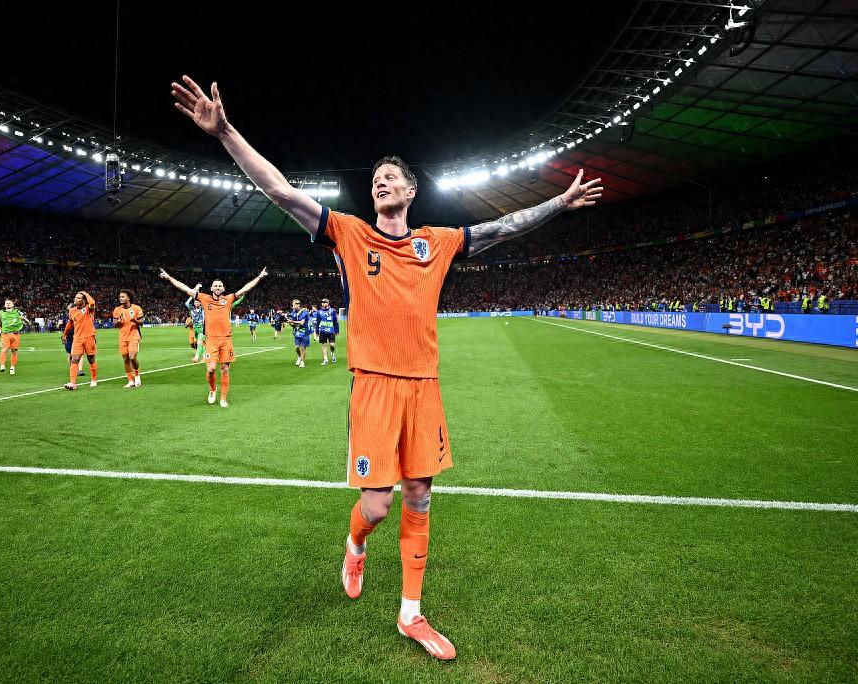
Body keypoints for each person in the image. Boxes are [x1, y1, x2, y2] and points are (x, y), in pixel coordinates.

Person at [171, 73, 601, 659]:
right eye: (375, 178)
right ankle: (355, 546)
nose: (380, 181)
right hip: (373, 386)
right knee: (377, 505)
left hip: (424, 387)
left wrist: (560, 203)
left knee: (419, 496)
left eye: (391, 176)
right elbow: (282, 192)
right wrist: (225, 133)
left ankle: (411, 614)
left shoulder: (437, 242)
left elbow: (502, 228)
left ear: (411, 190)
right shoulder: (350, 235)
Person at [161, 268, 268, 407]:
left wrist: (259, 277)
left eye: (220, 286)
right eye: (215, 285)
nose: (217, 287)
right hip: (211, 340)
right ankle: (213, 389)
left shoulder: (229, 299)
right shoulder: (204, 298)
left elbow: (245, 289)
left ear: (223, 289)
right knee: (211, 369)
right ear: (211, 288)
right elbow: (185, 289)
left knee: (225, 369)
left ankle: (223, 398)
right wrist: (169, 278)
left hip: (226, 339)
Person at [63, 291, 98, 390]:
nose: (76, 299)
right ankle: (72, 383)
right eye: (75, 297)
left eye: (78, 298)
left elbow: (92, 302)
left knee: (91, 359)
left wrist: (85, 293)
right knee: (74, 359)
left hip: (89, 337)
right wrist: (65, 334)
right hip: (77, 338)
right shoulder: (72, 310)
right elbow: (70, 323)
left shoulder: (88, 309)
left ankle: (94, 379)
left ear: (83, 300)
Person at [113, 290, 145, 388]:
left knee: (132, 357)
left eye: (123, 296)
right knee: (126, 359)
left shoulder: (136, 308)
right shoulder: (117, 310)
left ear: (129, 298)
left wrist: (135, 320)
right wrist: (119, 322)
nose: (120, 298)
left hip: (134, 335)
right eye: (120, 296)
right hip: (123, 337)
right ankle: (130, 380)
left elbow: (142, 322)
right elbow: (114, 324)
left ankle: (137, 376)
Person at [0, 298, 29, 375]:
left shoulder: (18, 312)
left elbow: (27, 321)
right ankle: (2, 365)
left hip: (15, 334)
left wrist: (24, 319)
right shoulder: (1, 313)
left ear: (13, 304)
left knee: (14, 351)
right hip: (5, 334)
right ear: (4, 305)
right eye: (6, 303)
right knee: (4, 350)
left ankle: (12, 368)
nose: (8, 304)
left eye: (9, 303)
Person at [316, 298, 339, 365]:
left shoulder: (332, 310)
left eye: (325, 302)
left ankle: (332, 352)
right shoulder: (319, 312)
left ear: (328, 303)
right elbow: (318, 322)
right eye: (322, 302)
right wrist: (317, 332)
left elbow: (335, 321)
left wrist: (337, 330)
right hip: (322, 331)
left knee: (332, 345)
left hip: (331, 331)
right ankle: (325, 359)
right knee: (323, 345)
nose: (323, 303)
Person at [287, 299, 310, 367]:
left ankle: (302, 362)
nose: (292, 307)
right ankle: (299, 357)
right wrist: (289, 322)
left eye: (293, 305)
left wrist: (292, 321)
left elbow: (302, 323)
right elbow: (292, 324)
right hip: (297, 332)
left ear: (298, 305)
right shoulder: (293, 313)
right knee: (297, 347)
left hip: (305, 332)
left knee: (303, 347)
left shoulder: (304, 312)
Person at [186, 295, 205, 363]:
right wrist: (192, 296)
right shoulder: (192, 309)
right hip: (195, 328)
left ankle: (196, 357)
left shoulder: (203, 309)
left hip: (201, 328)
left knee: (199, 342)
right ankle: (205, 357)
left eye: (198, 302)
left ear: (200, 303)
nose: (197, 303)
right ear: (194, 303)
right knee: (201, 343)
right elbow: (186, 303)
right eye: (196, 302)